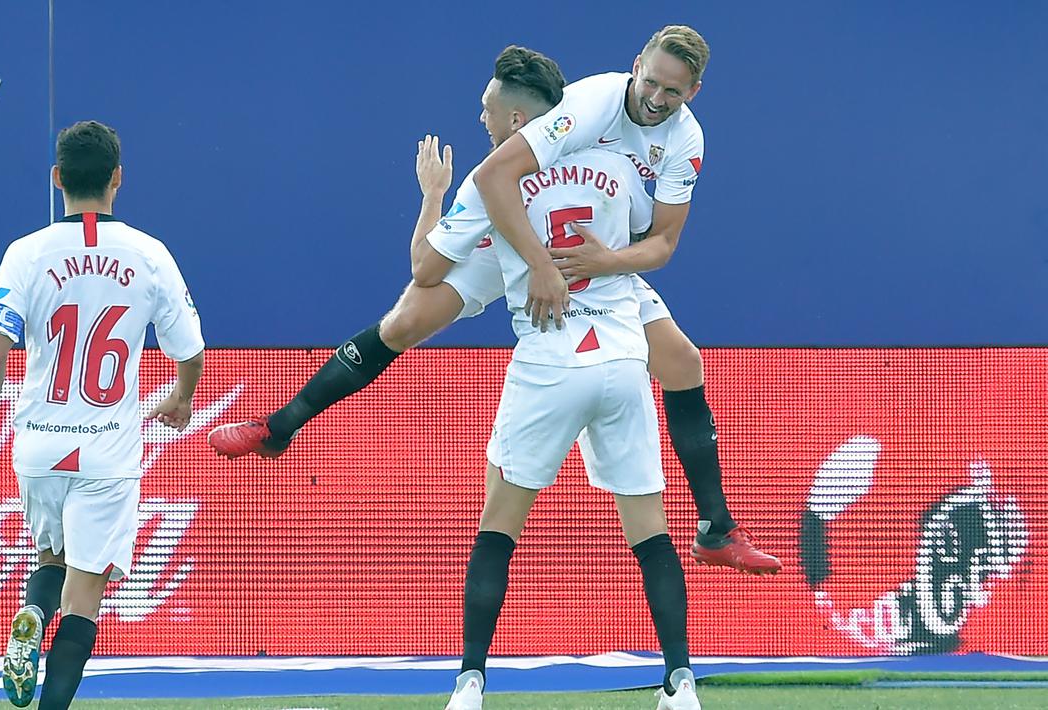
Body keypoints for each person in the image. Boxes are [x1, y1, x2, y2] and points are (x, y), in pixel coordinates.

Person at [209, 41, 779, 575]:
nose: (657, 98)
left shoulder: (684, 139)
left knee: (682, 361)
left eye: (673, 91)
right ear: (636, 66)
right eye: (651, 82)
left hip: (582, 250)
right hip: (519, 233)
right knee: (407, 320)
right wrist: (530, 260)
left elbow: (661, 242)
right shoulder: (587, 105)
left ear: (693, 91)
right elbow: (456, 230)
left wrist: (597, 261)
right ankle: (279, 426)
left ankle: (715, 528)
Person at [408, 108, 698, 710]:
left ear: (519, 119)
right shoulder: (616, 163)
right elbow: (652, 235)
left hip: (550, 362)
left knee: (498, 524)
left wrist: (434, 195)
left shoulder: (498, 181)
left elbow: (425, 269)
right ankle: (680, 682)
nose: (483, 120)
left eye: (488, 110)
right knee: (651, 532)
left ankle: (470, 682)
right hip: (621, 361)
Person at [0, 120, 205, 710]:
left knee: (51, 558)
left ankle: (30, 612)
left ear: (57, 179)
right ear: (117, 179)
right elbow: (190, 348)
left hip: (40, 442)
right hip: (108, 446)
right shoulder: (149, 254)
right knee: (87, 594)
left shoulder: (26, 252)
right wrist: (182, 395)